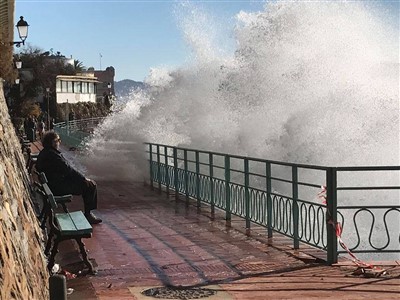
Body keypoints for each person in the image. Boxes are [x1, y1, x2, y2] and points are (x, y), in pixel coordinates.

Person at [35, 131, 102, 224]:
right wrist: (83, 179)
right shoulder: (53, 156)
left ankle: (88, 213)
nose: (60, 142)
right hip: (57, 187)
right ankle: (88, 214)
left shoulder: (46, 152)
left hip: (52, 185)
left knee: (87, 184)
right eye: (58, 140)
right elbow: (68, 170)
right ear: (53, 142)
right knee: (90, 186)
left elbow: (65, 169)